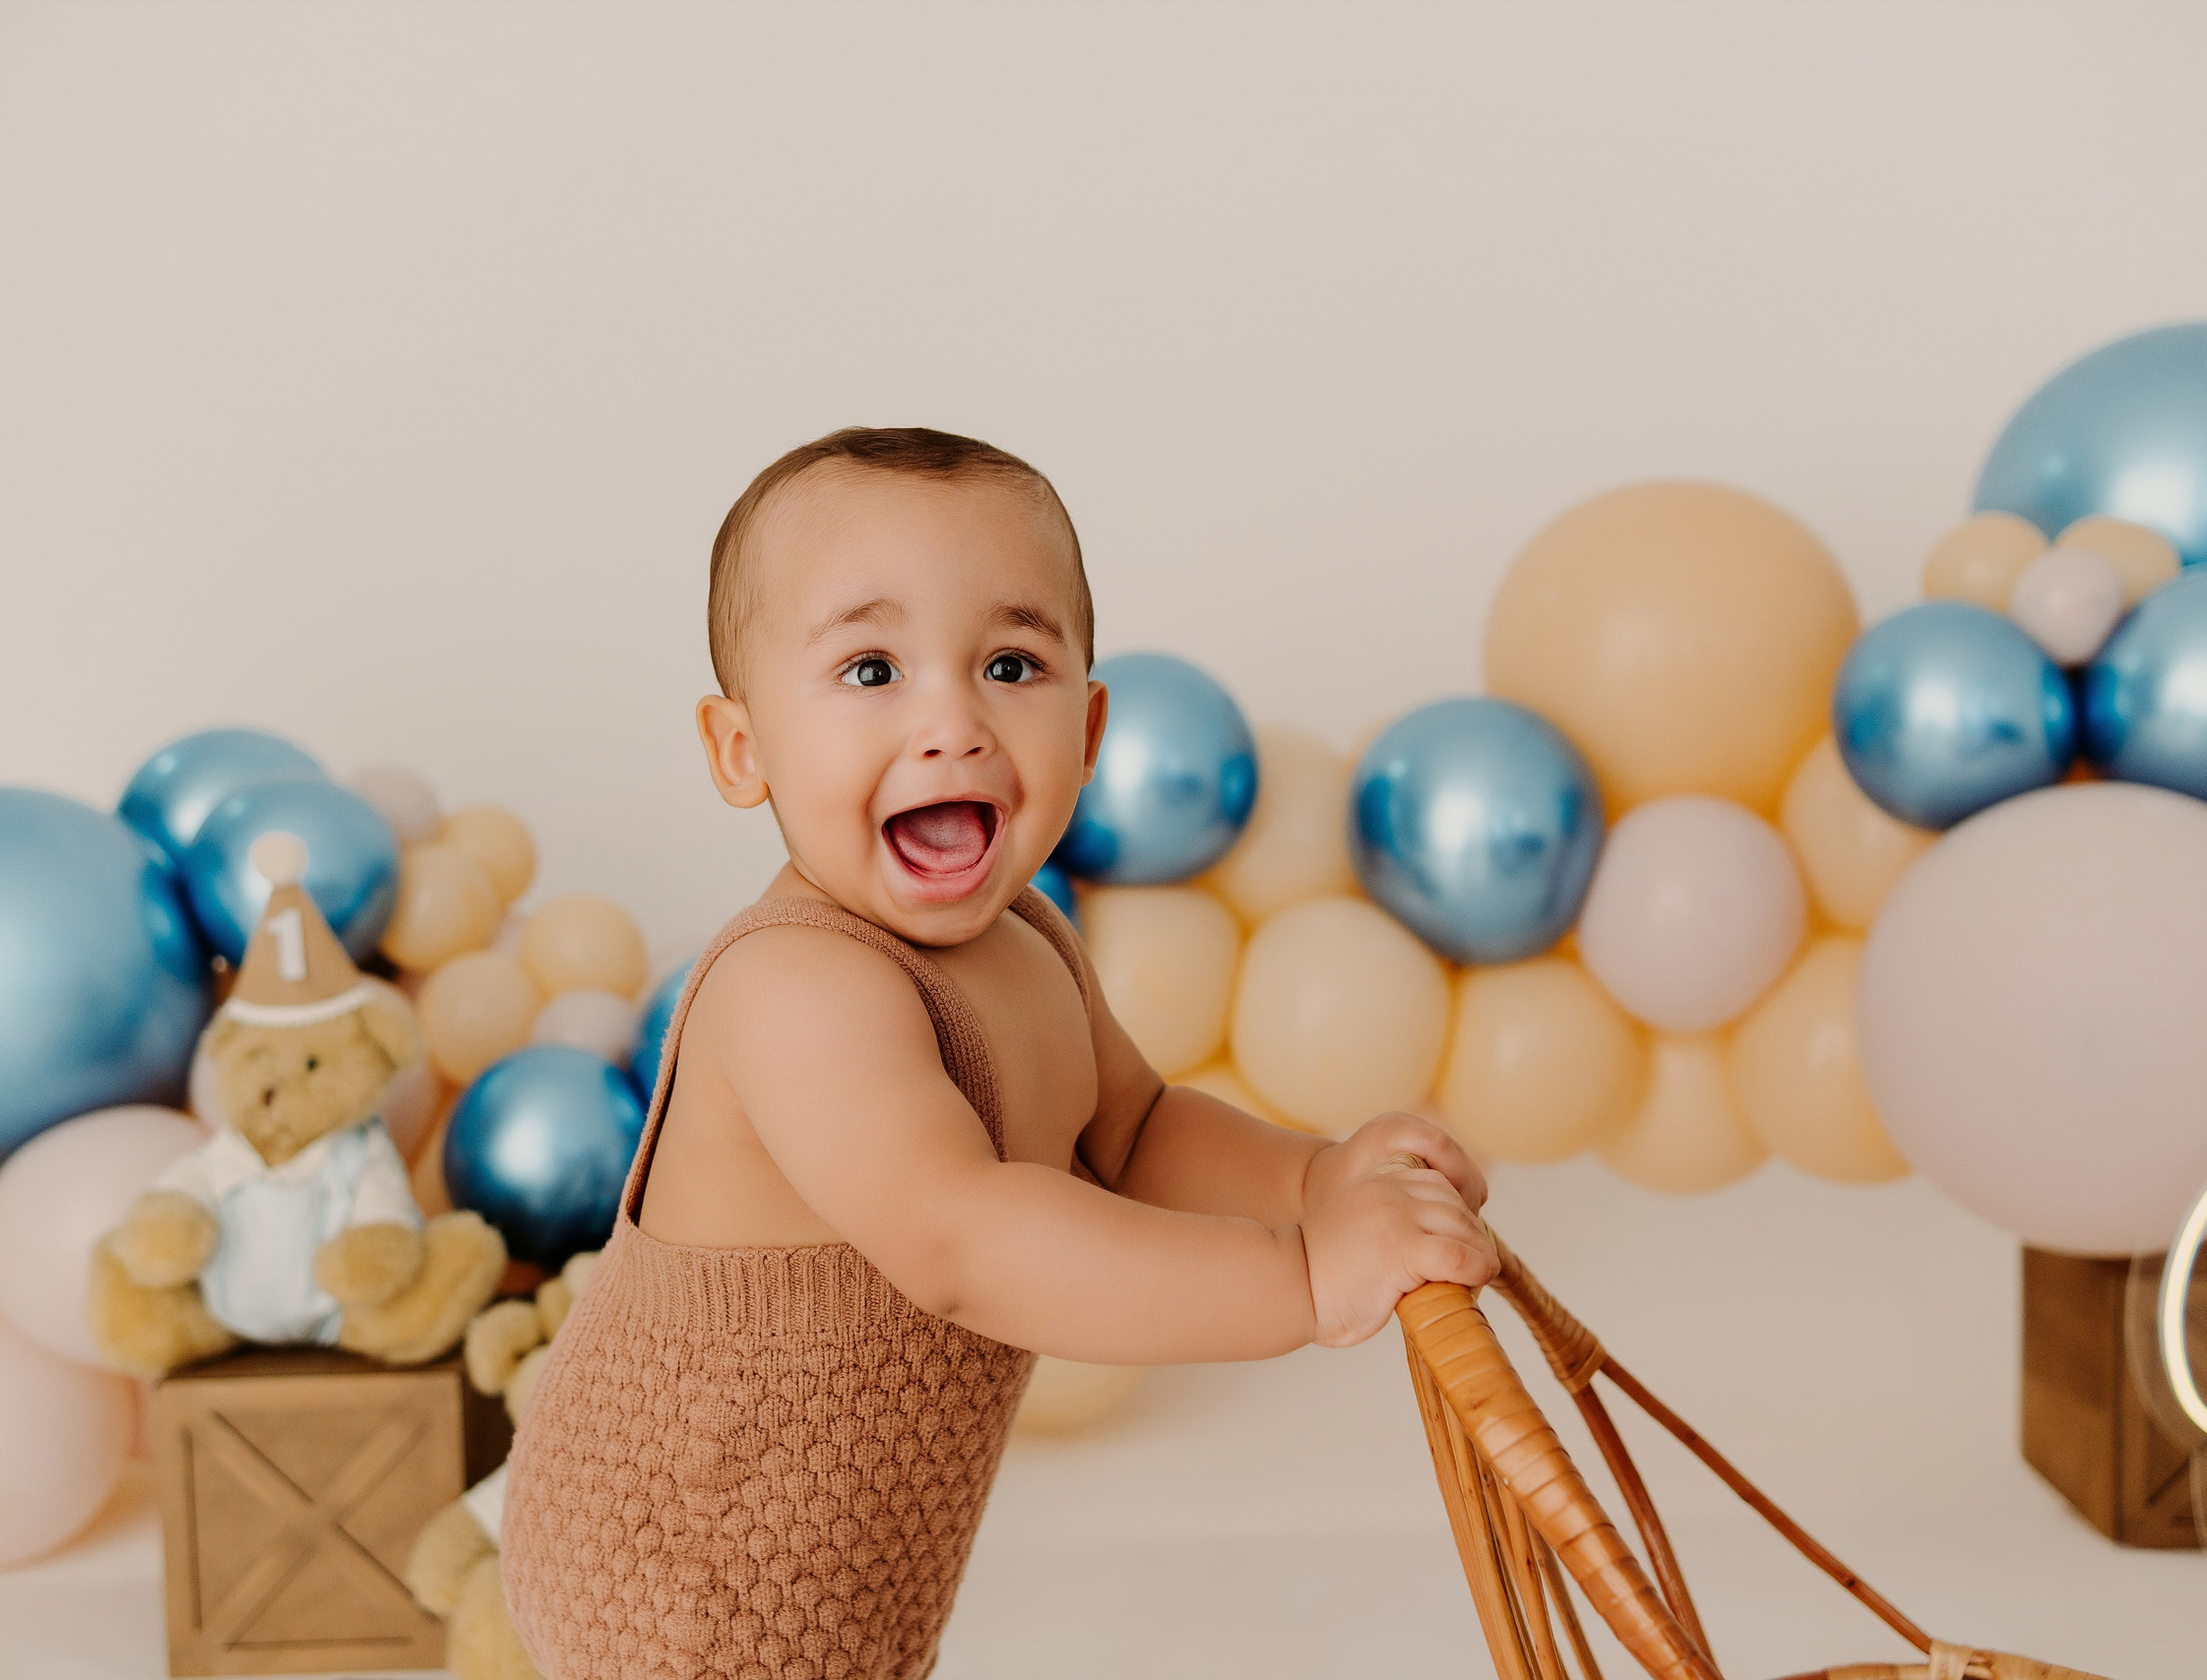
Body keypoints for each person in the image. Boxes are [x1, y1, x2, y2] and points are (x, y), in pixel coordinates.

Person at [499, 426, 1497, 1680]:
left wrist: (1314, 1179)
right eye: (871, 669)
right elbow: (961, 1242)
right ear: (741, 750)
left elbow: (1133, 1133)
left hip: (851, 1565)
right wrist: (1302, 1280)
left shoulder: (1030, 938)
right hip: (687, 1566)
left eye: (1010, 665)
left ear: (1087, 731)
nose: (953, 723)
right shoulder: (795, 986)